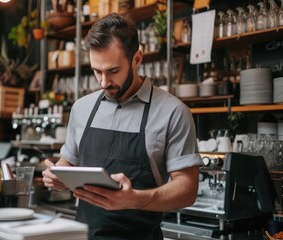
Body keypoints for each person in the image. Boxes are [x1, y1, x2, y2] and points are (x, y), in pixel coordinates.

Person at [42, 13, 203, 239]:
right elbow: (68, 162)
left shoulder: (173, 112)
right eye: (97, 71)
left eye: (113, 71)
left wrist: (135, 198)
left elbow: (187, 189)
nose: (103, 82)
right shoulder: (81, 108)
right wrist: (56, 176)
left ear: (137, 59)